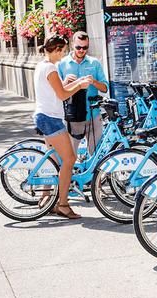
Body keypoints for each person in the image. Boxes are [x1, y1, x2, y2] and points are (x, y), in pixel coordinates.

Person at [34, 34, 93, 219]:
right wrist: (80, 84)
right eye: (63, 51)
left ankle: (46, 199)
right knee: (69, 159)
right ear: (57, 50)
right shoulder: (51, 68)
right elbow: (62, 95)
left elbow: (59, 90)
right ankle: (63, 204)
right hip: (51, 119)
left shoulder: (42, 65)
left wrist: (75, 83)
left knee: (53, 160)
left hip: (44, 116)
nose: (64, 55)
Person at [57, 31, 109, 155]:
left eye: (85, 47)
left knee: (96, 154)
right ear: (72, 45)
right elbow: (56, 91)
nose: (81, 50)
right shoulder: (62, 64)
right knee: (70, 156)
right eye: (78, 47)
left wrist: (94, 82)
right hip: (72, 116)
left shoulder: (94, 63)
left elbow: (105, 88)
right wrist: (65, 82)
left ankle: (94, 175)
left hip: (93, 114)